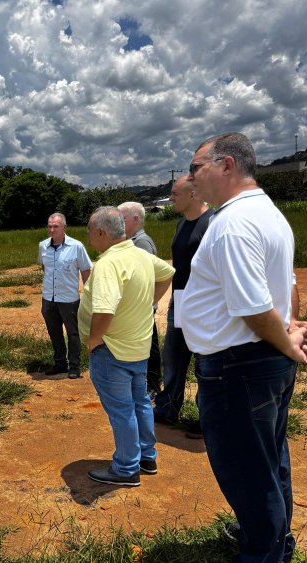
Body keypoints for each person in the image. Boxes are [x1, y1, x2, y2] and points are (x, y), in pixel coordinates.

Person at [180, 132, 307, 562]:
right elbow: (286, 285)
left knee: (247, 472)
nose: (190, 176)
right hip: (260, 362)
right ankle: (273, 539)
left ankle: (264, 551)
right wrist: (288, 329)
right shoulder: (267, 213)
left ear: (227, 165)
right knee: (269, 460)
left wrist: (289, 344)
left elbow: (253, 309)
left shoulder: (233, 223)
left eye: (196, 166)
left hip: (239, 366)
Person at [78, 207, 174, 486]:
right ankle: (147, 456)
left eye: (89, 231)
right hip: (138, 347)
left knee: (122, 410)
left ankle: (126, 468)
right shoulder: (141, 255)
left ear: (101, 232)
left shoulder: (109, 264)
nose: (88, 236)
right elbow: (168, 273)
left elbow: (104, 310)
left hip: (112, 350)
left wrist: (94, 341)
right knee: (141, 402)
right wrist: (148, 303)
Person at [152, 177, 213, 427]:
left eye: (175, 193)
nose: (171, 198)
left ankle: (208, 418)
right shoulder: (180, 224)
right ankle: (167, 408)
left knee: (205, 362)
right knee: (174, 356)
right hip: (180, 301)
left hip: (204, 305)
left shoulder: (212, 223)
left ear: (194, 193)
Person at [38, 213, 92, 378]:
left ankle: (74, 367)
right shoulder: (43, 246)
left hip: (69, 299)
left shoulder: (76, 246)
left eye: (56, 226)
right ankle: (60, 363)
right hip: (49, 298)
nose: (52, 229)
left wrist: (89, 296)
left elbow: (85, 271)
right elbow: (44, 268)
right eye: (49, 226)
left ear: (64, 227)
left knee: (73, 333)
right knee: (54, 332)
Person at [118, 201, 162, 396]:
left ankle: (152, 386)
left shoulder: (142, 243)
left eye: (122, 219)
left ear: (136, 219)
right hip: (136, 307)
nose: (119, 223)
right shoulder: (131, 241)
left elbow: (148, 278)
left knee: (149, 346)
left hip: (142, 307)